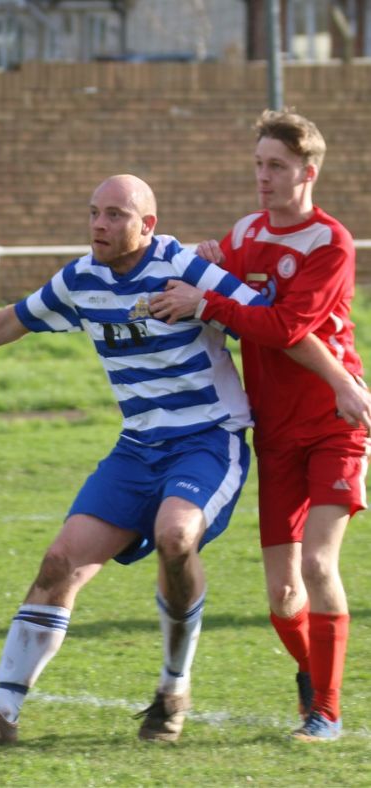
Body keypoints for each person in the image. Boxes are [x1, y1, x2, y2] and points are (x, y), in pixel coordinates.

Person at [0, 173, 279, 746]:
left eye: (114, 215)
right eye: (93, 213)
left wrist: (215, 297)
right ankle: (1, 714)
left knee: (176, 538)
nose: (98, 225)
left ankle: (172, 688)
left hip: (208, 439)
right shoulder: (81, 278)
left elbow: (270, 318)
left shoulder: (185, 266)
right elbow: (10, 319)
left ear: (147, 224)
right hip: (137, 448)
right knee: (60, 561)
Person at [150, 109, 371, 742]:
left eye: (277, 166)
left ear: (308, 173)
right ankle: (314, 675)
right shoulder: (247, 231)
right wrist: (199, 263)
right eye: (258, 164)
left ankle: (325, 713)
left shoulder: (330, 242)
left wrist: (207, 301)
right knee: (282, 597)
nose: (263, 177)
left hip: (335, 420)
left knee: (320, 566)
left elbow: (285, 327)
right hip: (274, 431)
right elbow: (218, 277)